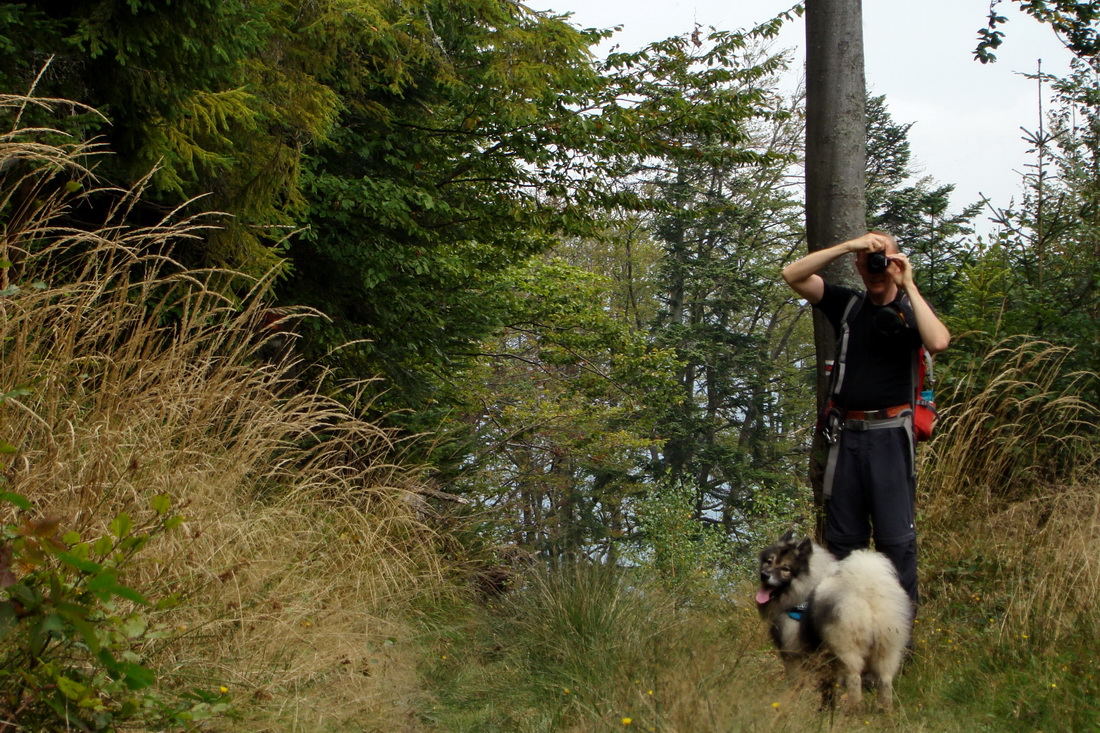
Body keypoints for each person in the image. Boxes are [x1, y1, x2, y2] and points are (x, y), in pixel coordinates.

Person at [780, 231, 950, 608]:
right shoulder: (849, 306)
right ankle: (842, 636)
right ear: (858, 266)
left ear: (898, 262)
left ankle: (897, 647)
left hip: (890, 436)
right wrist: (847, 246)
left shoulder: (910, 309)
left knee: (896, 543)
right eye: (869, 261)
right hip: (847, 437)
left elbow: (938, 341)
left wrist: (908, 283)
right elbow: (792, 274)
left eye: (884, 260)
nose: (876, 268)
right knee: (843, 544)